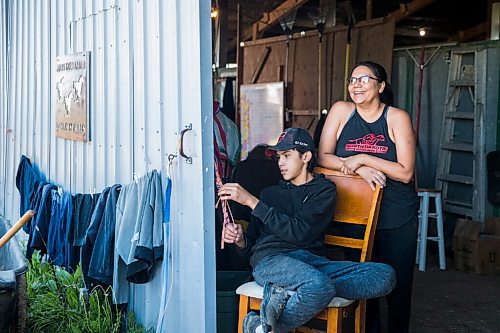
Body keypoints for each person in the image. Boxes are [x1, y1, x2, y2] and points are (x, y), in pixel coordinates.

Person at [219, 127, 396, 333]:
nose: (280, 163)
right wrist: (240, 240)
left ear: (306, 156)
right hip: (272, 261)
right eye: (278, 157)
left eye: (287, 155)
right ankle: (297, 302)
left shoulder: (323, 191)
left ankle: (264, 323)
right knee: (319, 285)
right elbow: (250, 251)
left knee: (384, 275)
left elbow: (301, 232)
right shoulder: (268, 194)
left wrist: (252, 202)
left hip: (312, 264)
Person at [318, 61, 419, 333]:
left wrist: (363, 157)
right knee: (363, 285)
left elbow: (406, 172)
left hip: (396, 215)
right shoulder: (341, 111)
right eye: (352, 80)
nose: (356, 85)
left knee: (398, 288)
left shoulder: (396, 117)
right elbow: (323, 156)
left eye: (364, 79)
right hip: (356, 213)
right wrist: (359, 168)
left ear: (381, 86)